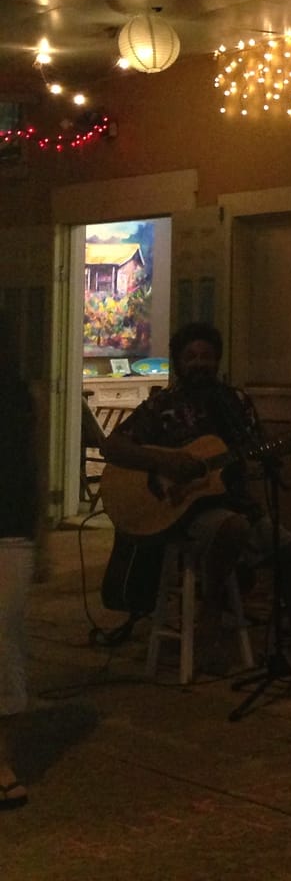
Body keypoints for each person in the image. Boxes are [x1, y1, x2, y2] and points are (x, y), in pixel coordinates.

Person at [101, 322, 291, 666]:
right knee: (231, 527)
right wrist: (166, 461)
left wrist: (280, 446)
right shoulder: (161, 406)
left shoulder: (235, 402)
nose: (199, 363)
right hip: (184, 512)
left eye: (206, 356)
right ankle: (210, 612)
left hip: (236, 503)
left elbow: (258, 447)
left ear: (217, 361)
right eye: (191, 356)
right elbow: (112, 447)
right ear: (179, 362)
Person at [0, 313, 39, 812]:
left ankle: (2, 760)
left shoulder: (20, 396)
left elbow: (33, 466)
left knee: (2, 641)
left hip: (8, 530)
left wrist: (42, 537)